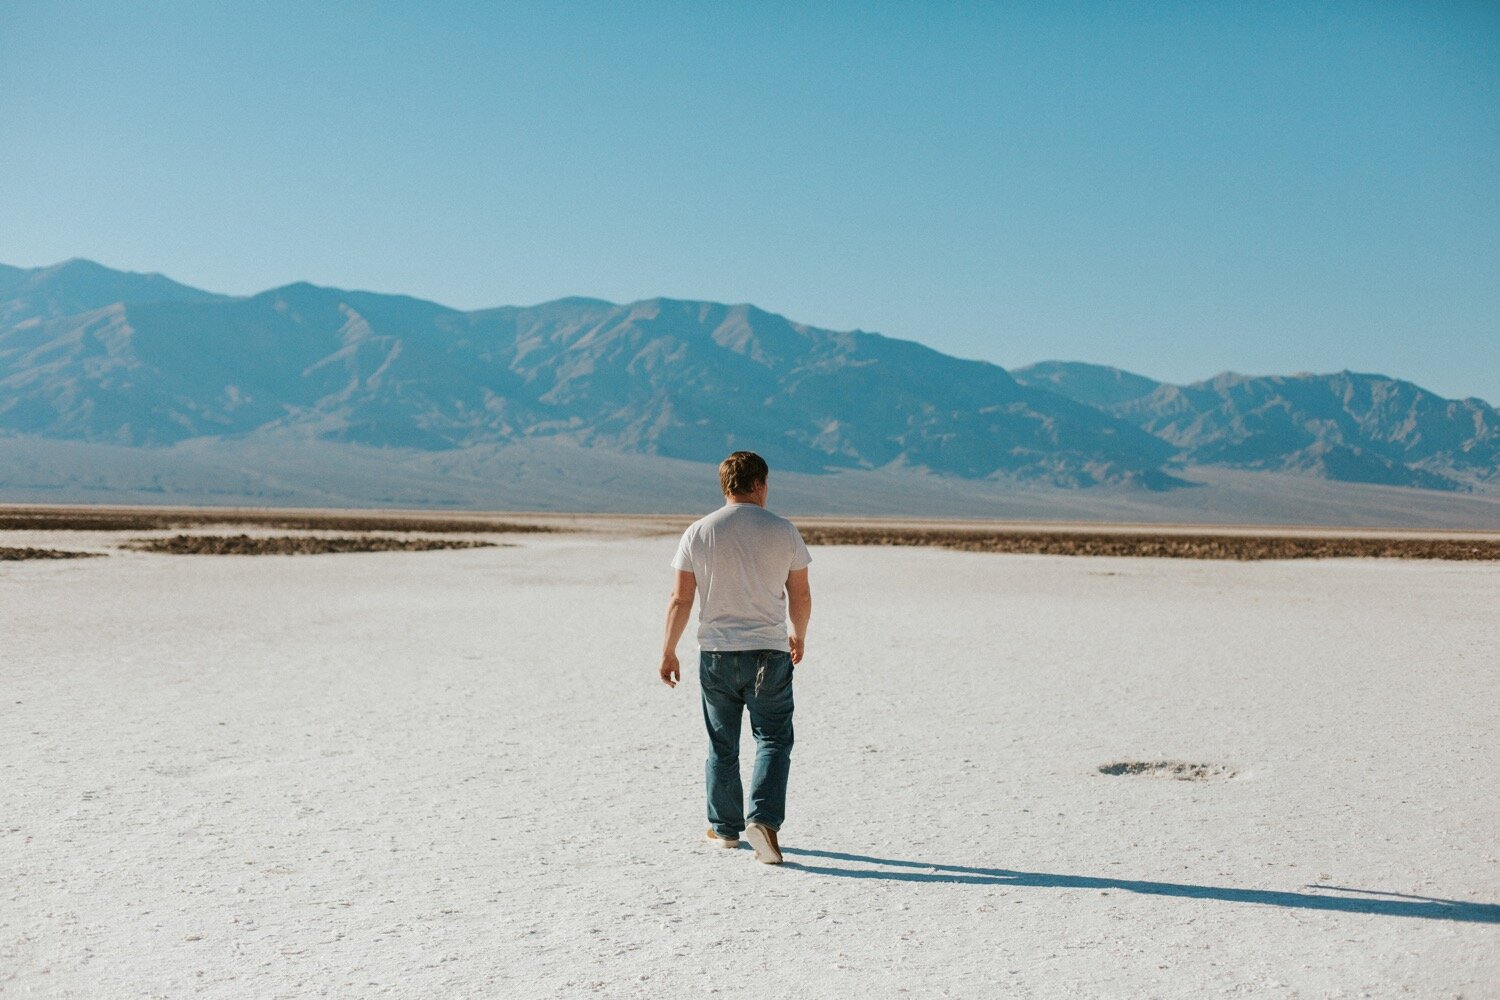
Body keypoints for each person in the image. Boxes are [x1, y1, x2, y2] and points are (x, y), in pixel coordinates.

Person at [659, 451, 812, 865]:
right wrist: (798, 632)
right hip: (769, 652)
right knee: (774, 738)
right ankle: (762, 820)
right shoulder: (783, 531)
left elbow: (680, 598)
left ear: (725, 485)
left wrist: (669, 649)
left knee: (722, 742)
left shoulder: (698, 532)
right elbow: (799, 594)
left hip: (717, 654)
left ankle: (725, 829)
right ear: (760, 484)